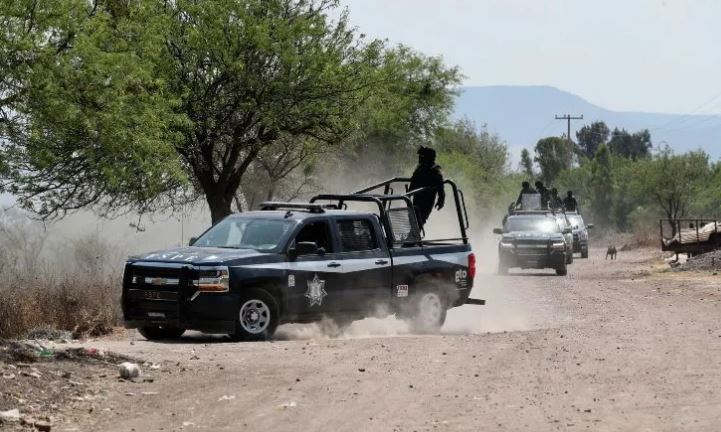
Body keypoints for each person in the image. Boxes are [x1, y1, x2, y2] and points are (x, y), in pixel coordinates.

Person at [409, 146, 445, 228]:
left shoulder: (435, 171)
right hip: (417, 198)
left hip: (427, 201)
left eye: (422, 156)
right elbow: (413, 182)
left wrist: (441, 200)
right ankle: (412, 237)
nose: (419, 158)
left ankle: (414, 237)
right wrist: (409, 193)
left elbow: (440, 188)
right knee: (413, 219)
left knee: (420, 220)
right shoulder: (419, 169)